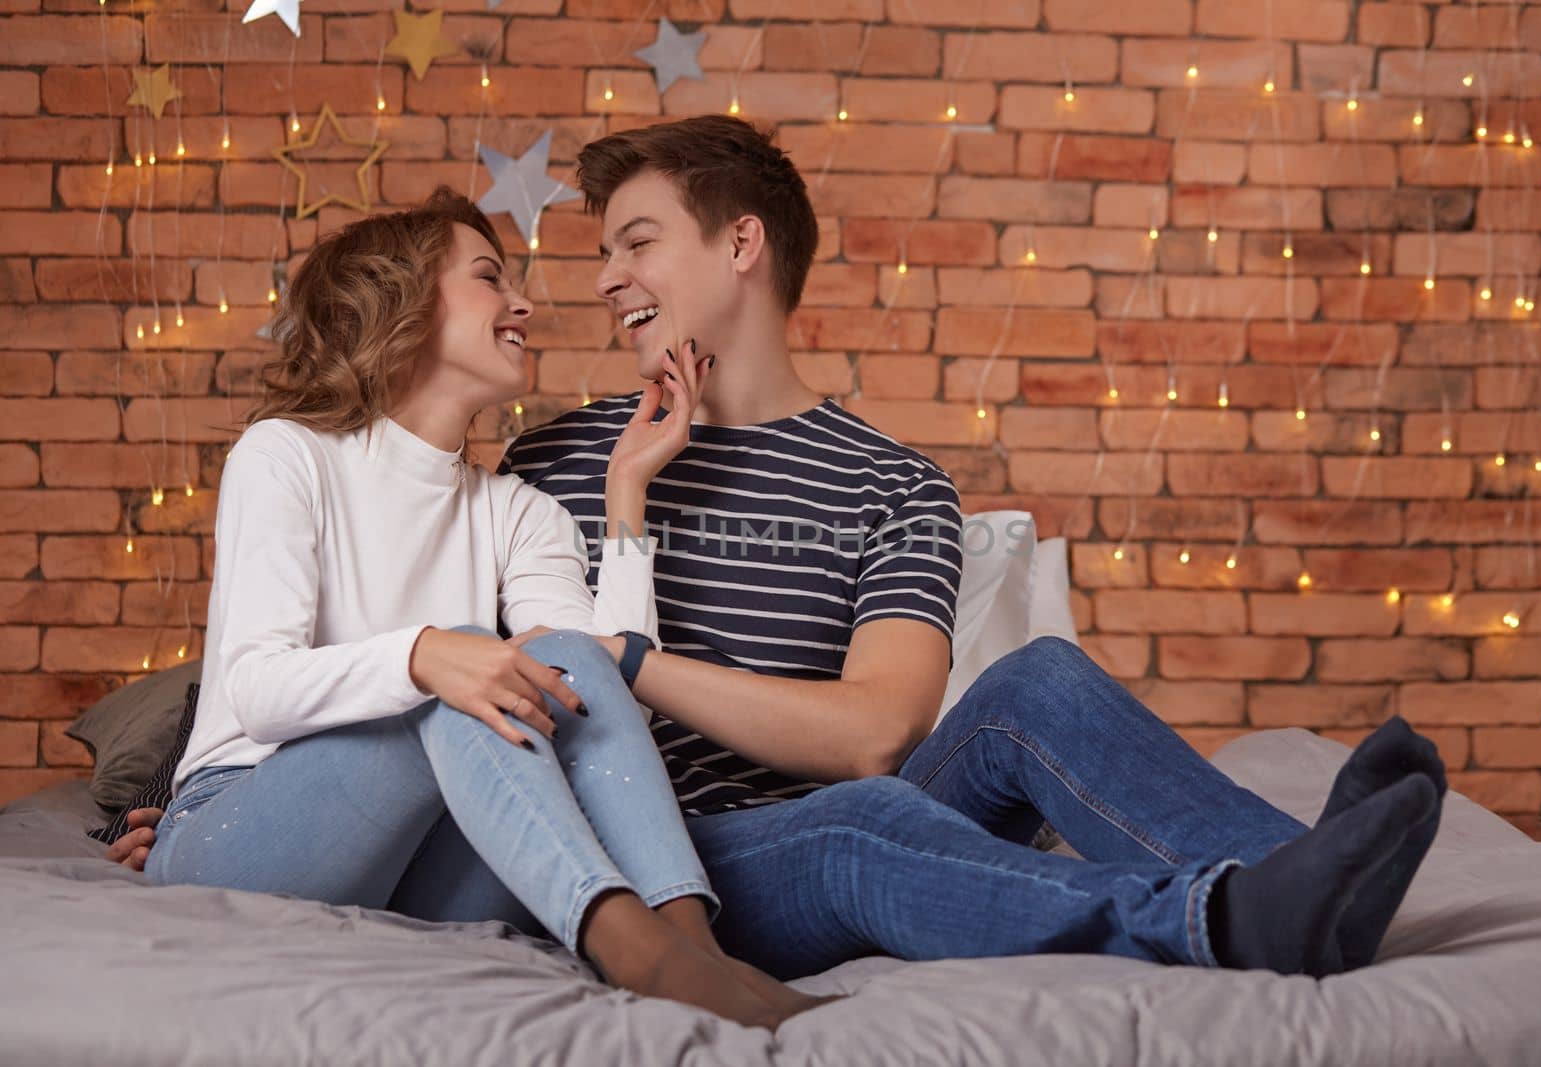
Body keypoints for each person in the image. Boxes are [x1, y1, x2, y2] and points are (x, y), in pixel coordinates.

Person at [114, 116, 1447, 982]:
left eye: (635, 240)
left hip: (841, 784)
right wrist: (185, 785)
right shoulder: (552, 457)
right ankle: (1222, 915)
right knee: (864, 824)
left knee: (1033, 684)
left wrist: (632, 654)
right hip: (674, 831)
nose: (597, 280)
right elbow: (378, 635)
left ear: (739, 244)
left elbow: (875, 730)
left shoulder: (896, 484)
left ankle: (1299, 873)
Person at [136, 189, 833, 1029]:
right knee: (469, 663)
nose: (524, 303)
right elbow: (258, 689)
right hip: (241, 829)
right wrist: (428, 653)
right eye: (489, 278)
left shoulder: (518, 511)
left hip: (418, 864)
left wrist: (626, 494)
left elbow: (598, 671)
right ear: (401, 302)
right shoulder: (287, 456)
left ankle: (689, 943)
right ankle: (638, 953)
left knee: (558, 656)